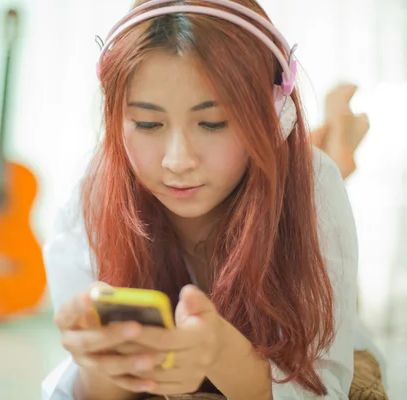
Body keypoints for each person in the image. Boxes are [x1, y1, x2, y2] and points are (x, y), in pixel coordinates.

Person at [41, 1, 381, 399]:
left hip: (290, 194)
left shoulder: (314, 183)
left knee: (311, 179)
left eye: (212, 122)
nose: (178, 161)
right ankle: (338, 142)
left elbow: (325, 386)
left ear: (275, 115)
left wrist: (220, 353)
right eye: (148, 123)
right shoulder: (94, 190)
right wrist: (105, 366)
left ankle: (338, 148)